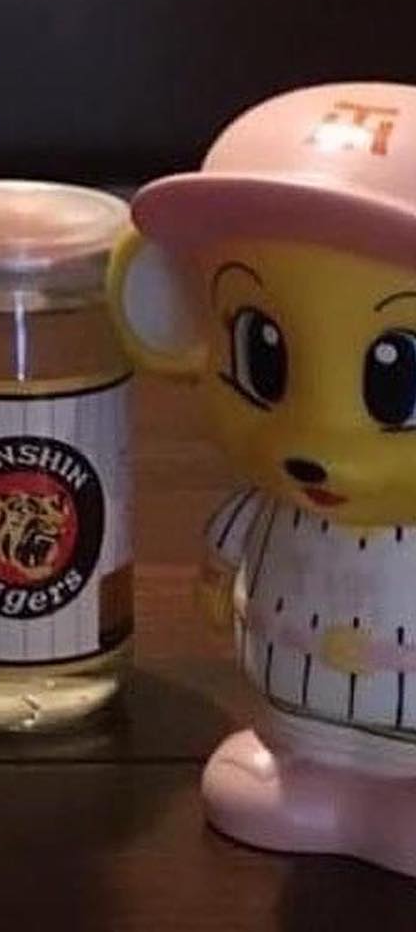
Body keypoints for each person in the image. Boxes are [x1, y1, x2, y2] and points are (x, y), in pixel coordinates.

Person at [110, 84, 416, 876]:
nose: (315, 438)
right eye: (263, 354)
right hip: (297, 722)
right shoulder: (261, 507)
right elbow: (223, 561)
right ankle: (303, 768)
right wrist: (219, 583)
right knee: (281, 775)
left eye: (398, 383)